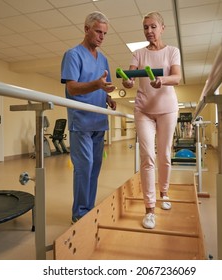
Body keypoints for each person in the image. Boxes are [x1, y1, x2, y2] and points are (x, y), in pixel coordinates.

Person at [121, 11, 182, 229]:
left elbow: (177, 77)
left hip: (167, 109)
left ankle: (164, 192)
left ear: (162, 28)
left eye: (153, 26)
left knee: (164, 154)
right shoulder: (138, 53)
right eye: (146, 27)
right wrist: (127, 82)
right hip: (143, 109)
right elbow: (131, 76)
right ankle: (149, 208)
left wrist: (162, 80)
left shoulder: (172, 52)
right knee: (147, 156)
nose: (149, 31)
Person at [61, 11, 117, 224]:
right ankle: (79, 214)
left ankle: (88, 208)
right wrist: (97, 85)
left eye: (104, 33)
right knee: (84, 166)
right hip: (81, 121)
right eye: (98, 32)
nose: (102, 37)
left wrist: (108, 97)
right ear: (86, 29)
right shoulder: (73, 55)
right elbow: (72, 88)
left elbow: (105, 86)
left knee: (95, 167)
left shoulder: (103, 59)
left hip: (98, 120)